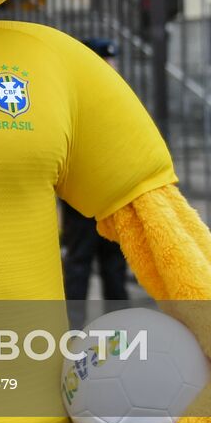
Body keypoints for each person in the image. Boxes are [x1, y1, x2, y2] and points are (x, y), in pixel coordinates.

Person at [61, 38, 130, 311]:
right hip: (81, 202)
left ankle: (120, 333)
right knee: (79, 266)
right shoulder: (74, 98)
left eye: (113, 62)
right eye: (106, 61)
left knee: (114, 268)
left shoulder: (123, 98)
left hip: (114, 199)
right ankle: (72, 334)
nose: (112, 67)